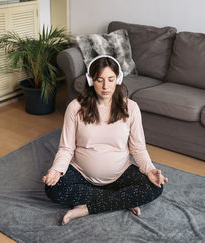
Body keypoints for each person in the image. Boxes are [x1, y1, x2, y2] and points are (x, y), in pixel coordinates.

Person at [42, 55, 168, 225]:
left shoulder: (131, 107)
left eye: (110, 79)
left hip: (120, 174)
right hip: (81, 173)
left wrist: (150, 170)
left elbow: (138, 149)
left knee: (155, 187)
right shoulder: (75, 107)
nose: (106, 86)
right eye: (99, 79)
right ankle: (123, 200)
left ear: (118, 79)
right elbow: (66, 148)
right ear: (90, 80)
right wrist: (57, 170)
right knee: (53, 188)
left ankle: (85, 208)